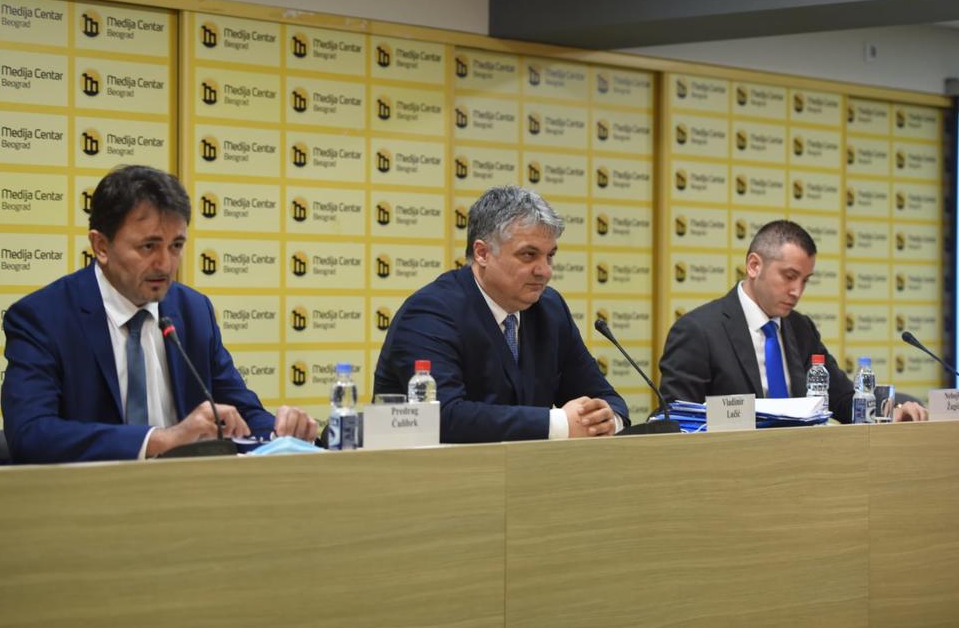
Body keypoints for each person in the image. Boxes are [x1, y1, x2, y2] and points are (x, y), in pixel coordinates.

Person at [1, 165, 317, 463]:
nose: (165, 264)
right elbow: (31, 434)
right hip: (89, 496)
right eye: (149, 247)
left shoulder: (193, 311)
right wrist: (160, 440)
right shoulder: (44, 318)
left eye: (176, 246)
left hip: (188, 494)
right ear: (101, 246)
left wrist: (280, 432)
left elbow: (240, 412)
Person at [373, 186, 629, 443]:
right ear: (482, 253)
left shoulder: (550, 310)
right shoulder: (430, 313)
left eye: (549, 256)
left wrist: (607, 420)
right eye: (528, 255)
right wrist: (560, 424)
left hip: (522, 467)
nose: (545, 271)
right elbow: (442, 417)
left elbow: (606, 398)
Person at [658, 219, 928, 424]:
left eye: (805, 280)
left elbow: (844, 399)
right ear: (754, 266)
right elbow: (677, 419)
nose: (797, 291)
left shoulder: (800, 328)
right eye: (789, 277)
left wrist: (890, 410)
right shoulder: (699, 331)